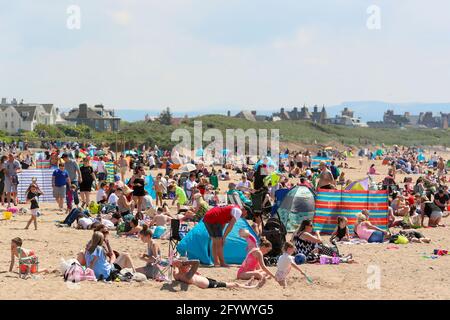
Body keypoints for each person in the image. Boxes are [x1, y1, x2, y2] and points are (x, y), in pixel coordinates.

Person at [172, 259, 262, 289]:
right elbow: (197, 262)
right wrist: (184, 262)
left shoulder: (177, 274)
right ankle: (251, 286)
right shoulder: (187, 275)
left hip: (205, 279)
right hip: (209, 284)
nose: (189, 266)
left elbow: (174, 266)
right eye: (187, 265)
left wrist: (177, 263)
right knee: (234, 284)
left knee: (226, 283)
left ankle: (245, 284)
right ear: (183, 266)